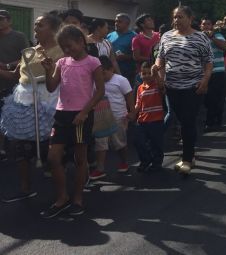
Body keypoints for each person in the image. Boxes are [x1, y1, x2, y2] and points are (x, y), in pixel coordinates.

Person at [41, 25, 105, 218]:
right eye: (63, 47)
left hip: (81, 115)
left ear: (80, 41)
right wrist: (48, 70)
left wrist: (84, 112)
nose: (67, 51)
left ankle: (77, 198)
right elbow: (52, 87)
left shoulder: (93, 62)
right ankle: (62, 197)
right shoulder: (62, 62)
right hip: (62, 114)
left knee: (79, 159)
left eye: (69, 46)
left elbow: (100, 91)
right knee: (53, 158)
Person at [0, 13, 62, 202]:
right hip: (24, 102)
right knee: (21, 146)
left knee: (54, 147)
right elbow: (14, 76)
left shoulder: (63, 51)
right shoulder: (29, 52)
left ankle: (61, 190)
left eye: (40, 25)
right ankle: (25, 188)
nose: (35, 29)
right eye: (35, 26)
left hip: (52, 101)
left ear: (53, 29)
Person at [154, 6, 213, 174]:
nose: (176, 20)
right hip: (172, 86)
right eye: (174, 17)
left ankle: (187, 159)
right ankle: (190, 155)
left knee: (188, 121)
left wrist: (205, 80)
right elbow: (161, 58)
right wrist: (156, 68)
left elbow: (208, 62)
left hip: (192, 87)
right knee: (180, 120)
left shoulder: (200, 37)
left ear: (190, 18)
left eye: (180, 17)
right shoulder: (166, 37)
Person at [89, 56, 134, 180]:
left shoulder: (121, 80)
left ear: (111, 69)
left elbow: (129, 96)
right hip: (101, 118)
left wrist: (132, 111)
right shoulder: (95, 83)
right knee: (100, 143)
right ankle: (100, 168)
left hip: (119, 116)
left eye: (104, 73)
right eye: (99, 73)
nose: (102, 76)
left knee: (119, 142)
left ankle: (124, 161)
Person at [0, 9, 29, 159]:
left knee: (13, 115)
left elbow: (26, 58)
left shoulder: (19, 37)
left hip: (14, 83)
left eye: (1, 18)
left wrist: (7, 66)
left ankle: (18, 148)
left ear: (9, 21)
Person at [129, 62, 165, 172]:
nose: (147, 75)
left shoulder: (157, 85)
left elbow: (162, 87)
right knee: (137, 141)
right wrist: (132, 113)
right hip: (142, 120)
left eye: (149, 73)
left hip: (156, 121)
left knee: (156, 143)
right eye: (144, 73)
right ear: (140, 75)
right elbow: (138, 104)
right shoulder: (140, 88)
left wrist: (156, 74)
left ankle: (157, 162)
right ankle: (145, 160)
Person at [200, 17, 226, 132]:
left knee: (217, 98)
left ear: (212, 26)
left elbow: (224, 47)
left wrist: (212, 37)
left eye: (208, 24)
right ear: (201, 27)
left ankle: (213, 121)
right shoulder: (198, 38)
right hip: (203, 73)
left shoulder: (218, 36)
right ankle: (212, 118)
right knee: (207, 99)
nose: (206, 26)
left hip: (218, 72)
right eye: (204, 24)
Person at [107, 13, 136, 85]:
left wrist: (125, 57)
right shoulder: (109, 35)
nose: (116, 23)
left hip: (127, 73)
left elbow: (137, 56)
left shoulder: (134, 36)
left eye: (119, 22)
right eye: (116, 21)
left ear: (127, 24)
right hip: (110, 72)